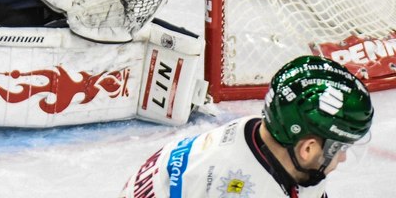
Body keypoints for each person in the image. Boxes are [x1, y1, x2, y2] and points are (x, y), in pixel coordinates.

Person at [118, 55, 374, 197]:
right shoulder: (240, 186)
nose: (342, 157)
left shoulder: (263, 138)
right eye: (340, 147)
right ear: (307, 149)